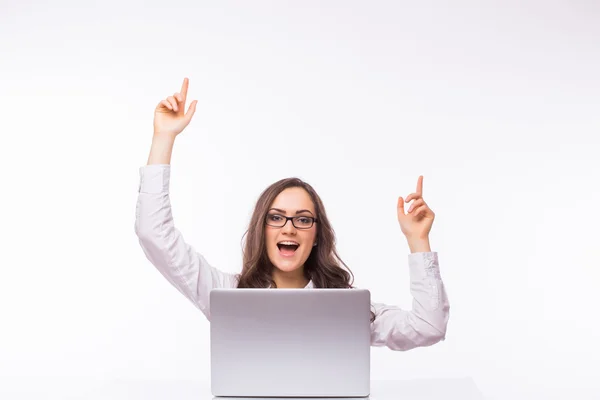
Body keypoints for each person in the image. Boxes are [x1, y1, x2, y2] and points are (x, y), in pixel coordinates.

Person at [135, 77, 449, 351]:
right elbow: (154, 235)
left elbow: (428, 328)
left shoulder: (346, 307)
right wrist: (164, 137)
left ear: (316, 236)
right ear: (262, 229)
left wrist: (418, 240)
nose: (289, 228)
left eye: (302, 219)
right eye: (276, 217)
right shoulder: (226, 294)